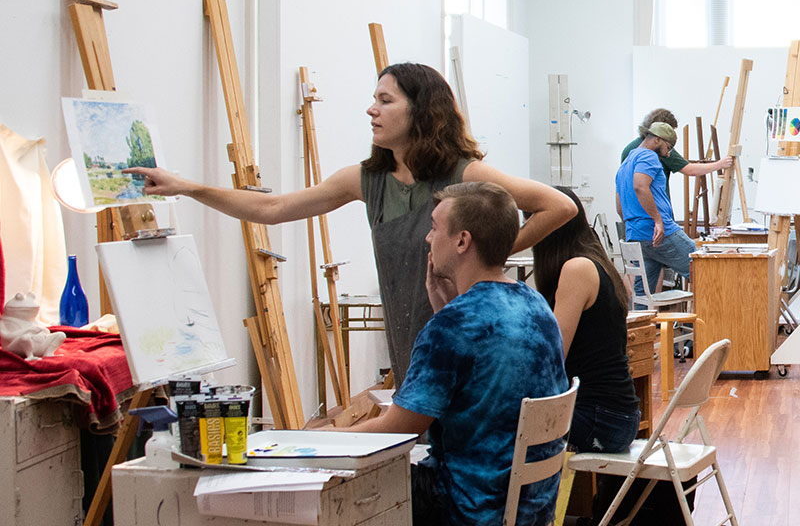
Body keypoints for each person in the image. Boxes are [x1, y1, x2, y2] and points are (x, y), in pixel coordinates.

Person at [125, 62, 577, 385]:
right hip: (409, 343)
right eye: (373, 100)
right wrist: (186, 186)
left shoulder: (465, 174)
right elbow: (273, 208)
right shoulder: (365, 180)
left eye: (385, 100)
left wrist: (491, 255)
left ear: (420, 111)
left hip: (462, 342)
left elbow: (558, 206)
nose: (371, 110)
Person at [347, 181, 568, 526]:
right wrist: (444, 309)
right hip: (532, 507)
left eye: (434, 228)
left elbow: (400, 429)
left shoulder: (454, 326)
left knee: (348, 489)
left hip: (468, 508)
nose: (427, 238)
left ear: (462, 241)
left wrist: (319, 437)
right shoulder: (535, 304)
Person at [532, 186, 639, 454]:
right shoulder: (596, 262)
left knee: (498, 427)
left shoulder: (576, 268)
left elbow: (554, 356)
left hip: (601, 418)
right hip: (612, 415)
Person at [615, 122, 697, 300]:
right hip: (660, 232)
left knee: (644, 295)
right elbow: (640, 185)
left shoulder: (625, 164)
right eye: (668, 148)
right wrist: (658, 221)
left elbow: (619, 207)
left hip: (637, 236)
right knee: (705, 270)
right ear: (657, 140)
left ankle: (641, 327)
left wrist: (634, 225)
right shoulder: (648, 156)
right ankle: (712, 325)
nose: (668, 154)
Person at [620, 108, 733, 199]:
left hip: (632, 214)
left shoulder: (629, 149)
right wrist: (720, 164)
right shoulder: (658, 149)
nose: (668, 153)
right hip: (653, 214)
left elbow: (621, 187)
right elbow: (690, 169)